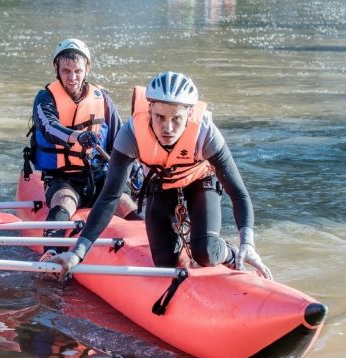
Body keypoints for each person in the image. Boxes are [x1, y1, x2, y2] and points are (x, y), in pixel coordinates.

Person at [48, 71, 272, 279]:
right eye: (160, 117)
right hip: (160, 185)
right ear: (149, 109)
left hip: (199, 182)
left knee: (205, 252)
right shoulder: (131, 134)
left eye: (177, 118)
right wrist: (77, 253)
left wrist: (247, 244)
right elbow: (109, 197)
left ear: (190, 113)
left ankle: (228, 252)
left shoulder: (206, 133)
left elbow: (238, 193)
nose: (168, 127)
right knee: (164, 265)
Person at [24, 38, 139, 263]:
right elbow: (49, 127)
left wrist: (134, 169)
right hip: (62, 177)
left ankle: (146, 239)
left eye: (77, 71)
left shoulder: (102, 98)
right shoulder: (45, 98)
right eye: (66, 70)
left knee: (125, 202)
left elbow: (120, 139)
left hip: (97, 173)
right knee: (64, 200)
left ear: (87, 69)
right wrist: (77, 136)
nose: (72, 77)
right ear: (55, 68)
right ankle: (52, 254)